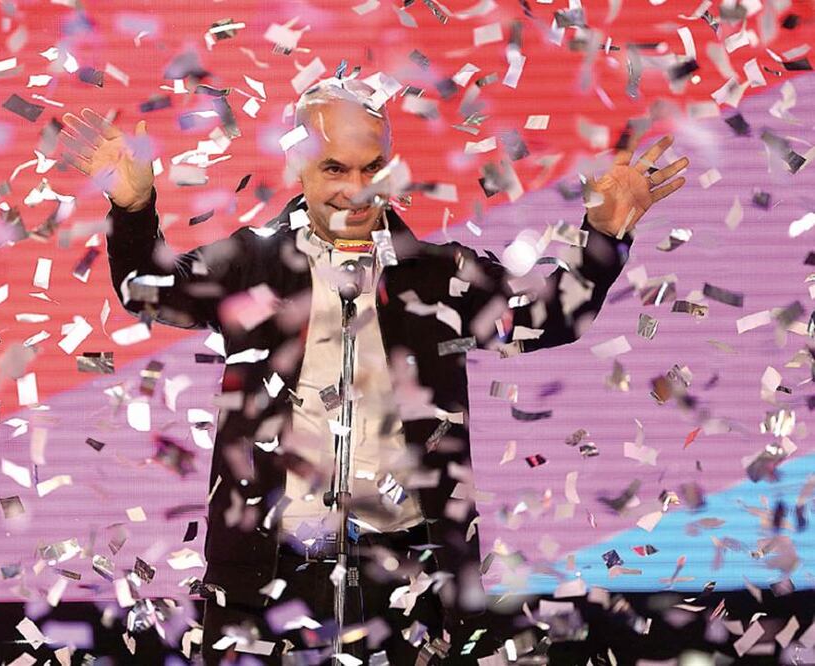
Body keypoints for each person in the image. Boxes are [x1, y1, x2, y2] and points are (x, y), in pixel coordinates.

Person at [60, 76, 687, 664]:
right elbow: (149, 289)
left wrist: (603, 235)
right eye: (334, 168)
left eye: (372, 169)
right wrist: (135, 207)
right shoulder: (245, 265)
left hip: (410, 579)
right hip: (263, 577)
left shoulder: (440, 272)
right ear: (298, 166)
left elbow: (548, 317)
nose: (355, 189)